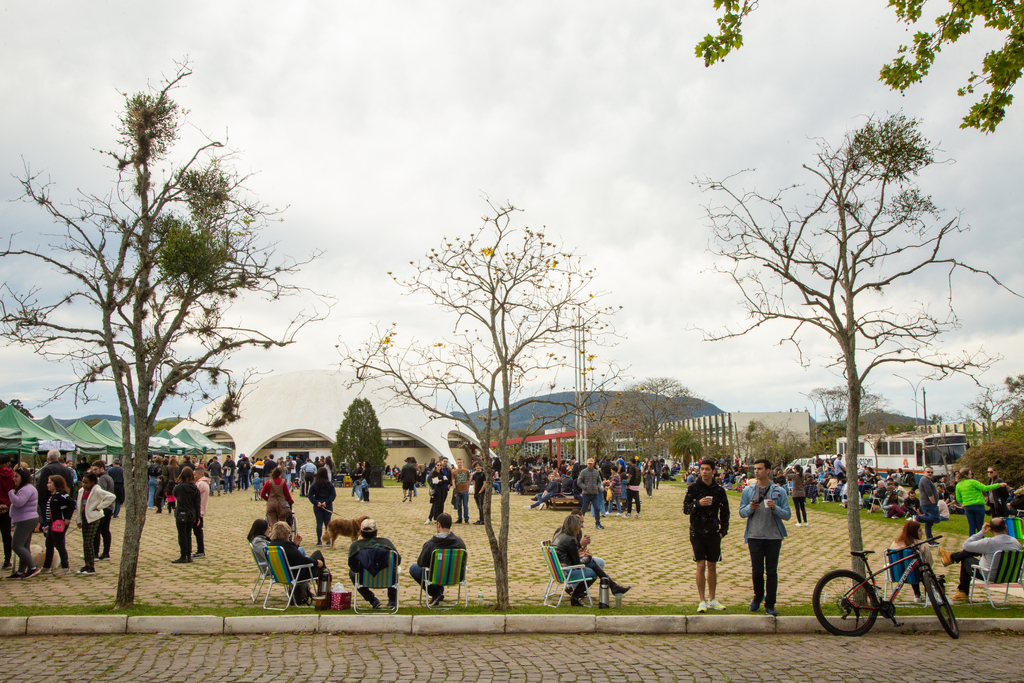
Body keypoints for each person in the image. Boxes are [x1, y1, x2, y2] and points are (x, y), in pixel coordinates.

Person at [739, 458, 791, 616]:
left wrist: (775, 508)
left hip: (773, 536)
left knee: (772, 571)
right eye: (755, 469)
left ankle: (770, 603)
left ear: (768, 471)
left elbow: (787, 514)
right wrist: (750, 508)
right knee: (756, 571)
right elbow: (742, 512)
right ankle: (758, 596)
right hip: (754, 535)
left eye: (760, 469)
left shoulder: (779, 491)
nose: (756, 471)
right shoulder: (749, 490)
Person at [551, 513, 630, 606]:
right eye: (579, 524)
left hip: (558, 570)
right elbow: (576, 563)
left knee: (592, 562)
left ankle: (613, 586)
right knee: (593, 573)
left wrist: (585, 557)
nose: (580, 526)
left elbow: (569, 557)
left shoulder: (560, 536)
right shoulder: (571, 539)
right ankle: (575, 597)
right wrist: (588, 557)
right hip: (566, 571)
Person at [683, 459, 730, 612]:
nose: (704, 472)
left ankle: (712, 598)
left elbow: (725, 512)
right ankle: (701, 599)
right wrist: (698, 503)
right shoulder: (693, 488)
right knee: (700, 564)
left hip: (713, 531)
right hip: (697, 531)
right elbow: (686, 508)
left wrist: (723, 530)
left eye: (707, 469)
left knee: (712, 565)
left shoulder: (719, 490)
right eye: (702, 469)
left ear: (713, 471)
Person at [938, 517, 1022, 602]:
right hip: (1010, 576)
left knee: (967, 559)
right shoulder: (1016, 543)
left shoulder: (989, 543)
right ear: (1006, 528)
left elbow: (966, 546)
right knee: (979, 550)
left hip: (990, 575)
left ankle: (962, 591)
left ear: (990, 530)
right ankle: (951, 558)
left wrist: (981, 533)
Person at [409, 512, 467, 606]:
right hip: (455, 576)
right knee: (442, 567)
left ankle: (435, 593)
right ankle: (439, 591)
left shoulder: (431, 544)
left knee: (414, 568)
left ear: (438, 524)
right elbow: (463, 561)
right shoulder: (459, 542)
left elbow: (421, 563)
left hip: (435, 576)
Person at [267, 521, 329, 605]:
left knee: (316, 558)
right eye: (288, 533)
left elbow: (291, 556)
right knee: (318, 554)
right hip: (296, 575)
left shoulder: (271, 546)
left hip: (281, 575)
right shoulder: (287, 545)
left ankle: (323, 589)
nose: (289, 536)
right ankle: (324, 590)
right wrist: (316, 562)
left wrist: (295, 545)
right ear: (283, 534)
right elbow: (301, 560)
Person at [348, 518, 401, 610]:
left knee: (352, 573)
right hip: (386, 578)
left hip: (364, 579)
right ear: (376, 532)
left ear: (361, 532)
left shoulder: (355, 546)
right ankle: (392, 600)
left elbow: (352, 565)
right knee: (394, 569)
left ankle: (372, 600)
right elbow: (398, 560)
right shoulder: (386, 543)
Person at [75, 471, 114, 575]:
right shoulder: (81, 491)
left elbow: (111, 497)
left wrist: (99, 507)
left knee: (89, 542)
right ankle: (86, 564)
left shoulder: (97, 490)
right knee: (85, 542)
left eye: (86, 482)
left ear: (92, 482)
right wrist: (78, 519)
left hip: (94, 517)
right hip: (84, 517)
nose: (83, 484)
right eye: (82, 482)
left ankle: (91, 566)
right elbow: (79, 506)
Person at [8, 467, 40, 579]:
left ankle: (32, 567)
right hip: (25, 519)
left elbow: (19, 502)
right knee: (24, 546)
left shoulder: (26, 489)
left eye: (16, 476)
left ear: (23, 477)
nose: (14, 479)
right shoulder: (26, 488)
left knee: (16, 545)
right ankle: (21, 571)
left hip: (26, 520)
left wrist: (11, 493)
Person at [955, 468, 1007, 536]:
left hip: (968, 506)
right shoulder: (973, 482)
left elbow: (958, 499)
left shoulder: (959, 485)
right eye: (970, 473)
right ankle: (981, 541)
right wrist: (998, 485)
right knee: (980, 526)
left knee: (972, 525)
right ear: (966, 475)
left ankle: (972, 541)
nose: (971, 475)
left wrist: (964, 501)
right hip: (978, 505)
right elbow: (985, 488)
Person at [890, 520, 932, 602]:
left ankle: (917, 594)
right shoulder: (922, 545)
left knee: (910, 567)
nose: (922, 533)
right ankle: (929, 594)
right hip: (916, 575)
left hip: (897, 574)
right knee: (921, 569)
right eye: (920, 530)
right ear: (913, 532)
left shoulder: (895, 544)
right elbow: (929, 563)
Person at [42, 474, 75, 575]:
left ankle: (65, 567)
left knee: (59, 544)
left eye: (50, 483)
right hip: (52, 524)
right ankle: (47, 566)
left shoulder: (62, 495)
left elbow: (72, 504)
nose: (47, 485)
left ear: (56, 484)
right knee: (49, 543)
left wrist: (67, 518)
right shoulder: (53, 496)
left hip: (59, 524)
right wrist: (49, 524)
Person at [171, 468, 201, 564]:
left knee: (182, 535)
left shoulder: (179, 488)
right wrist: (197, 516)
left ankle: (183, 555)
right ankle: (188, 554)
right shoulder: (195, 488)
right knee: (188, 535)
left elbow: (174, 494)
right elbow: (197, 503)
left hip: (181, 512)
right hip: (191, 513)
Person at [35, 450, 75, 520]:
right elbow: (71, 486)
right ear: (59, 458)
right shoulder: (68, 470)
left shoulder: (46, 469)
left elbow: (42, 487)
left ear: (47, 459)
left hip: (49, 501)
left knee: (49, 524)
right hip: (64, 501)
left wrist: (40, 501)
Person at [91, 460, 115, 560]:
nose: (93, 471)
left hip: (104, 507)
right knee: (105, 531)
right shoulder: (108, 477)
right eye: (92, 470)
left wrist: (98, 506)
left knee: (98, 530)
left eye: (95, 469)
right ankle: (105, 553)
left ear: (101, 468)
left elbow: (101, 493)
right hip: (108, 507)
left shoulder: (102, 479)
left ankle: (96, 553)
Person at [308, 466, 336, 546]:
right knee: (328, 524)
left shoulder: (314, 484)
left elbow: (310, 496)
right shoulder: (329, 484)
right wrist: (326, 502)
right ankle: (328, 541)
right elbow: (333, 495)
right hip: (327, 505)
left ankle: (319, 541)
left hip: (318, 506)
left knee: (319, 523)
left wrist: (316, 502)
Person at [915, 466, 941, 544]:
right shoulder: (924, 480)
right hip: (928, 503)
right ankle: (917, 518)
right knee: (937, 518)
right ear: (924, 472)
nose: (930, 473)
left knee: (929, 523)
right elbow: (929, 492)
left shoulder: (928, 480)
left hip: (927, 504)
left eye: (931, 472)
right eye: (928, 472)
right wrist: (933, 503)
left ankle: (930, 540)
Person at [577, 458, 605, 530]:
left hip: (595, 493)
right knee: (584, 508)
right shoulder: (583, 472)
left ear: (593, 464)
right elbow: (579, 482)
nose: (590, 465)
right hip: (586, 493)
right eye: (589, 464)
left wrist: (599, 486)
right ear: (587, 464)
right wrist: (585, 487)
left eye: (591, 463)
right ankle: (579, 523)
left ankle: (598, 523)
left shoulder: (596, 472)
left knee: (597, 508)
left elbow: (599, 481)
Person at [192, 466, 211, 559]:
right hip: (201, 510)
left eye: (195, 474)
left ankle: (200, 550)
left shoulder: (200, 484)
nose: (194, 476)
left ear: (200, 474)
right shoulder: (204, 483)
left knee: (198, 532)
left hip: (199, 510)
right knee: (198, 531)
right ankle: (200, 550)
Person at [0, 455, 14, 571]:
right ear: (7, 463)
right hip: (7, 507)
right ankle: (7, 560)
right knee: (6, 535)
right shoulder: (12, 475)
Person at [451, 459, 471, 524]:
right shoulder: (454, 472)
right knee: (459, 505)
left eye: (461, 462)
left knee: (465, 505)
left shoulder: (466, 471)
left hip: (465, 490)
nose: (459, 464)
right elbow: (453, 481)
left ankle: (466, 518)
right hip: (458, 490)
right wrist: (455, 489)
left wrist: (467, 487)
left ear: (462, 463)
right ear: (456, 463)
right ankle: (459, 518)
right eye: (458, 462)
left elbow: (468, 479)